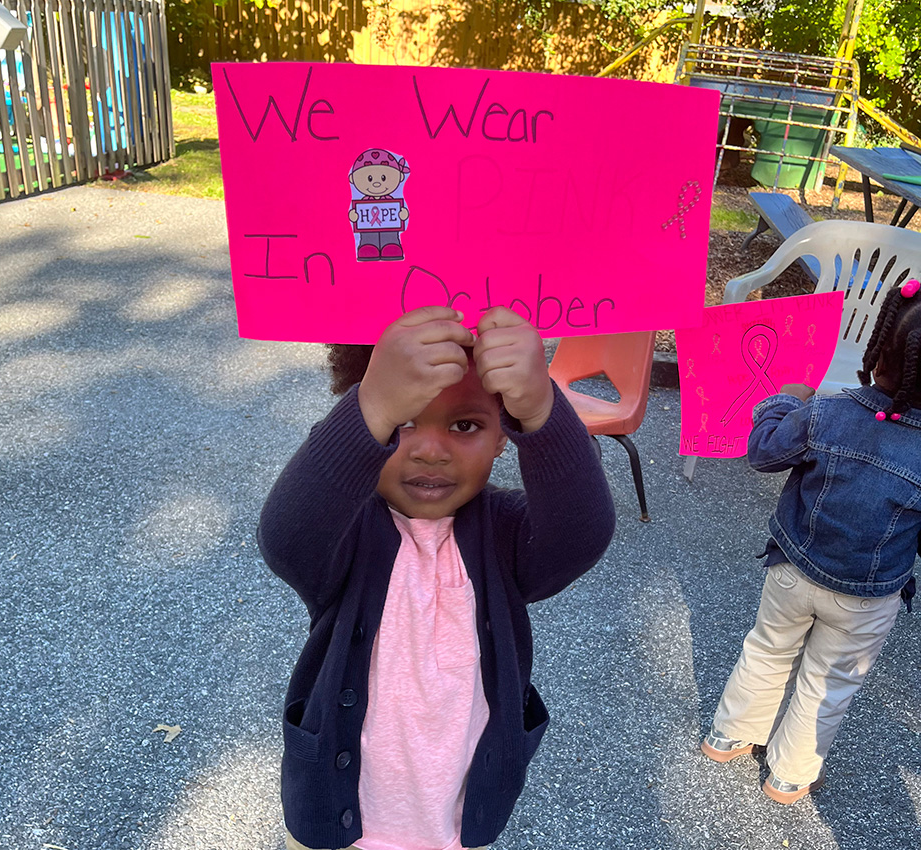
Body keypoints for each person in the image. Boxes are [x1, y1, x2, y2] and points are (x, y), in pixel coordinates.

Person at [258, 304, 615, 849]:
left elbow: (581, 534)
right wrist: (372, 402)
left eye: (465, 425)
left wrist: (543, 411)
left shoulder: (506, 535)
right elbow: (288, 536)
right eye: (401, 422)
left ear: (502, 438)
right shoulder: (346, 532)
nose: (429, 450)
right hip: (337, 821)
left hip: (456, 822)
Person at [701, 278, 921, 804]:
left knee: (767, 648)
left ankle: (729, 736)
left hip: (793, 569)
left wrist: (782, 402)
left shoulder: (826, 414)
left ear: (879, 346)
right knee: (830, 681)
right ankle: (790, 775)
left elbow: (763, 454)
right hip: (867, 597)